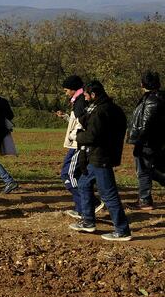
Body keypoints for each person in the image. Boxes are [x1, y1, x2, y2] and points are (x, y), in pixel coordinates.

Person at [71, 80, 132, 241]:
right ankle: (88, 221)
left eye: (86, 95)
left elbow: (92, 135)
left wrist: (77, 136)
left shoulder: (100, 111)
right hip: (101, 156)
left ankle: (122, 230)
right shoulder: (112, 108)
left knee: (108, 193)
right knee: (84, 184)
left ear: (93, 94)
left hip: (100, 156)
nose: (84, 98)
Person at [126, 71, 165, 210]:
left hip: (148, 142)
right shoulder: (153, 98)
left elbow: (146, 124)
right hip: (152, 141)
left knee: (143, 170)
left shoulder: (152, 100)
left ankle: (145, 200)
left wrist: (139, 142)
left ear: (143, 83)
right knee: (151, 168)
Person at [57, 75, 89, 218]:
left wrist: (75, 137)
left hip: (78, 143)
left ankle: (88, 204)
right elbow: (77, 120)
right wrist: (65, 117)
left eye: (66, 90)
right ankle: (81, 206)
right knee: (76, 174)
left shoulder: (80, 101)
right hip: (77, 142)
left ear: (73, 89)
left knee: (68, 173)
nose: (65, 93)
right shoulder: (79, 100)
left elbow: (84, 123)